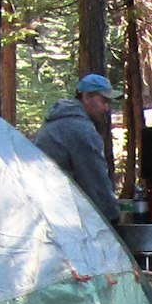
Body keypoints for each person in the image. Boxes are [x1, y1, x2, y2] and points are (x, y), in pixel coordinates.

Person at [32, 73, 119, 225]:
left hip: (40, 207)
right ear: (86, 97)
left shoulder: (55, 122)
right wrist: (112, 217)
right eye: (103, 101)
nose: (106, 108)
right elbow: (94, 179)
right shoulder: (80, 130)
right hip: (61, 212)